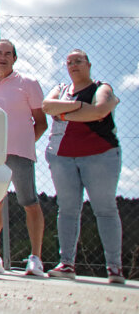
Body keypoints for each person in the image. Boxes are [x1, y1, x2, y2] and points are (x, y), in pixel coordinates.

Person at [42, 50, 124, 284]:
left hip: (101, 155)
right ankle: (66, 264)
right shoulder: (61, 88)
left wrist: (65, 113)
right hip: (62, 156)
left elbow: (100, 110)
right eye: (69, 62)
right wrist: (80, 107)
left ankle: (114, 268)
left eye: (79, 61)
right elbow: (48, 106)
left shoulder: (102, 87)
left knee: (105, 208)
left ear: (89, 64)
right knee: (67, 209)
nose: (74, 65)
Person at [0, 39, 48, 277]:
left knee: (30, 203)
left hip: (21, 155)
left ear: (15, 58)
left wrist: (25, 144)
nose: (3, 57)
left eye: (9, 54)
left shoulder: (28, 84)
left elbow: (41, 122)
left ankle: (36, 259)